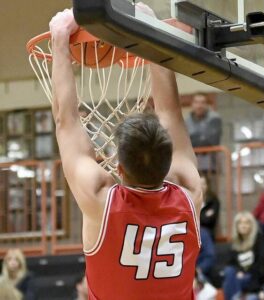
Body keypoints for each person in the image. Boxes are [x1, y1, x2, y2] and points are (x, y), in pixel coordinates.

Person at [49, 6, 202, 300]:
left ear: (118, 168)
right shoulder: (188, 190)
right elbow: (169, 111)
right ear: (169, 160)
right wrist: (153, 30)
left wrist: (58, 39)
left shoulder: (102, 200)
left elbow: (65, 122)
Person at [222, 212, 264, 300]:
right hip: (239, 276)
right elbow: (230, 263)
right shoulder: (234, 242)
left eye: (247, 223)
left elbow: (261, 262)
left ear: (252, 225)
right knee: (229, 271)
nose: (243, 226)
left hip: (254, 276)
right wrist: (239, 271)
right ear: (236, 226)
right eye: (240, 223)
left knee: (228, 283)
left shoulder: (258, 239)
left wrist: (245, 272)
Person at [185, 93, 222, 173]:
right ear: (192, 104)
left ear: (207, 105)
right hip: (191, 166)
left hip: (210, 167)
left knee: (209, 185)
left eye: (202, 102)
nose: (199, 106)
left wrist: (192, 139)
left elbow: (212, 141)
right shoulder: (186, 121)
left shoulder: (214, 119)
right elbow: (183, 142)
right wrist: (201, 138)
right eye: (196, 102)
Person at [199, 173, 220, 239]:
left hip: (208, 235)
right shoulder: (191, 200)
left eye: (203, 184)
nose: (201, 186)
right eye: (199, 184)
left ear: (208, 185)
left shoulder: (213, 201)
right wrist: (204, 215)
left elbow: (209, 220)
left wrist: (197, 217)